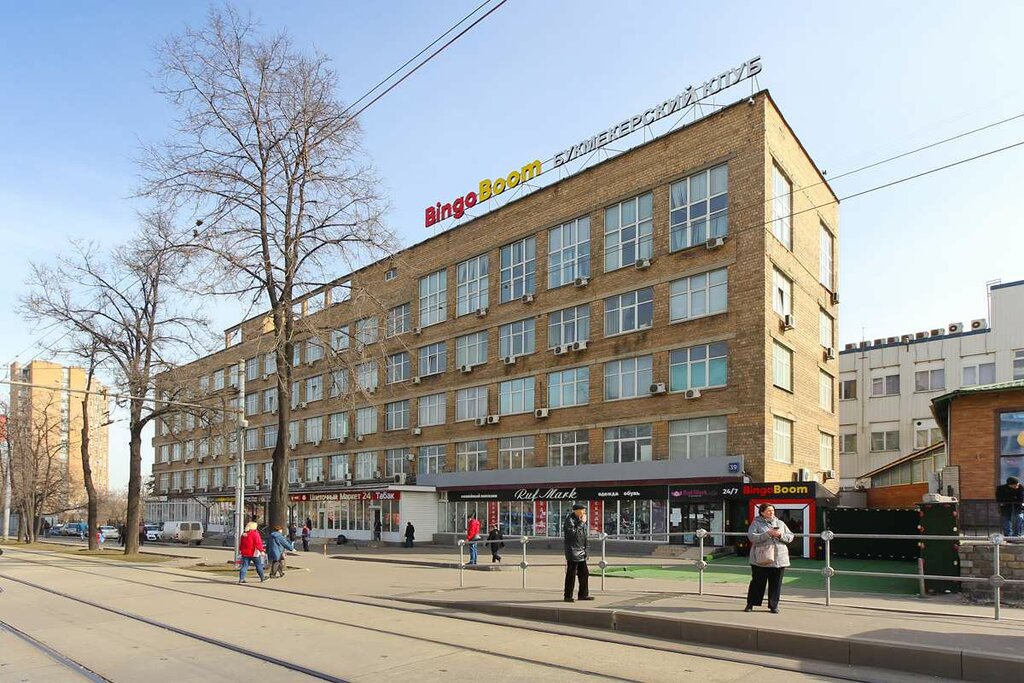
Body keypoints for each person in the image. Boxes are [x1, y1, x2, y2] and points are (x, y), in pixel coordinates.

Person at [745, 503, 794, 613]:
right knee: (757, 582)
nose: (771, 512)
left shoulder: (780, 523)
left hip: (779, 559)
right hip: (761, 558)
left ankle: (773, 605)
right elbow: (752, 537)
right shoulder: (756, 523)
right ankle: (751, 604)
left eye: (772, 510)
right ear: (762, 512)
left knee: (776, 584)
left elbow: (790, 536)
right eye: (768, 510)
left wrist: (780, 535)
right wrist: (768, 534)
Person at [563, 503, 593, 602]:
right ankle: (568, 596)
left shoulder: (581, 520)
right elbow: (573, 534)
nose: (584, 512)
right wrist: (581, 523)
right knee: (571, 574)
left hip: (581, 550)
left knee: (584, 573)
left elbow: (583, 536)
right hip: (573, 550)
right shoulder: (569, 520)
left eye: (584, 510)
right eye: (582, 510)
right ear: (576, 510)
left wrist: (586, 549)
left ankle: (583, 594)